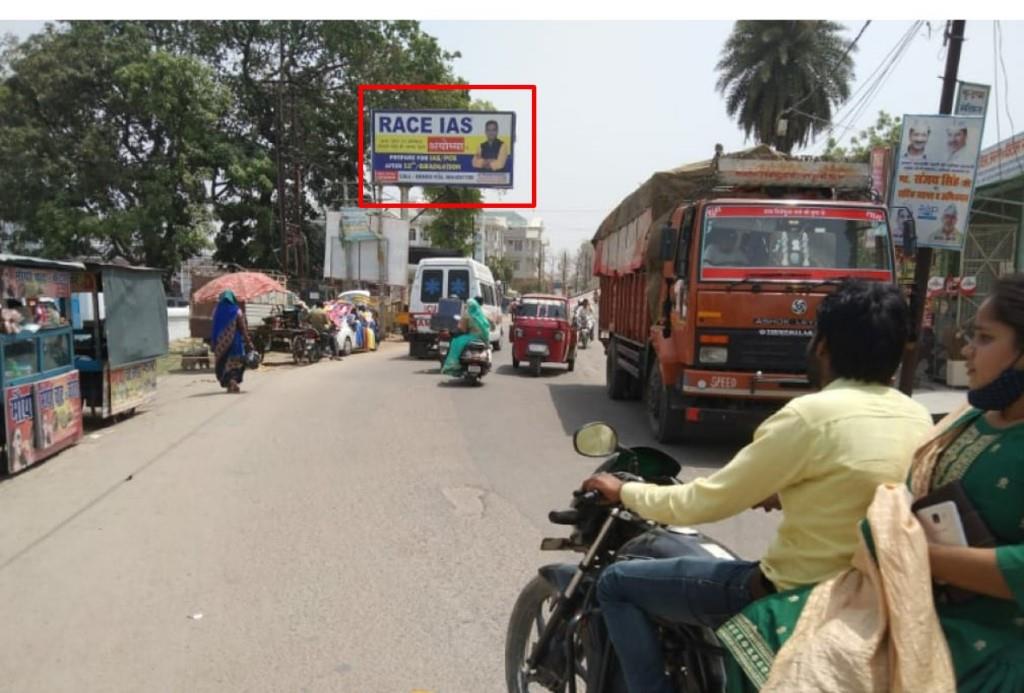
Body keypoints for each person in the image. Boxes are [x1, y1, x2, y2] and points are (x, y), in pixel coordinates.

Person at [581, 280, 934, 693]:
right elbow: (865, 491)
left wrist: (624, 492)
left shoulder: (808, 416)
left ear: (822, 346)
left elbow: (704, 501)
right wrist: (793, 493)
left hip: (793, 592)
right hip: (873, 599)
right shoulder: (918, 419)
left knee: (617, 584)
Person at [718, 274, 1024, 691]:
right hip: (907, 597)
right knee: (763, 627)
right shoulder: (967, 419)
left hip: (986, 640)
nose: (967, 350)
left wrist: (914, 556)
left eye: (985, 339)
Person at [211, 290, 254, 394]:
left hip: (220, 345)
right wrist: (249, 342)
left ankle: (229, 382)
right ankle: (233, 381)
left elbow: (214, 327)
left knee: (223, 364)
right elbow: (243, 329)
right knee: (236, 364)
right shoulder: (237, 311)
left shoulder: (216, 311)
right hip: (236, 344)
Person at [441, 297, 490, 375]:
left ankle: (454, 365)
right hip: (484, 338)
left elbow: (463, 329)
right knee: (488, 349)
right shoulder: (482, 314)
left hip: (472, 336)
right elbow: (488, 326)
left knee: (455, 342)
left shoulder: (467, 314)